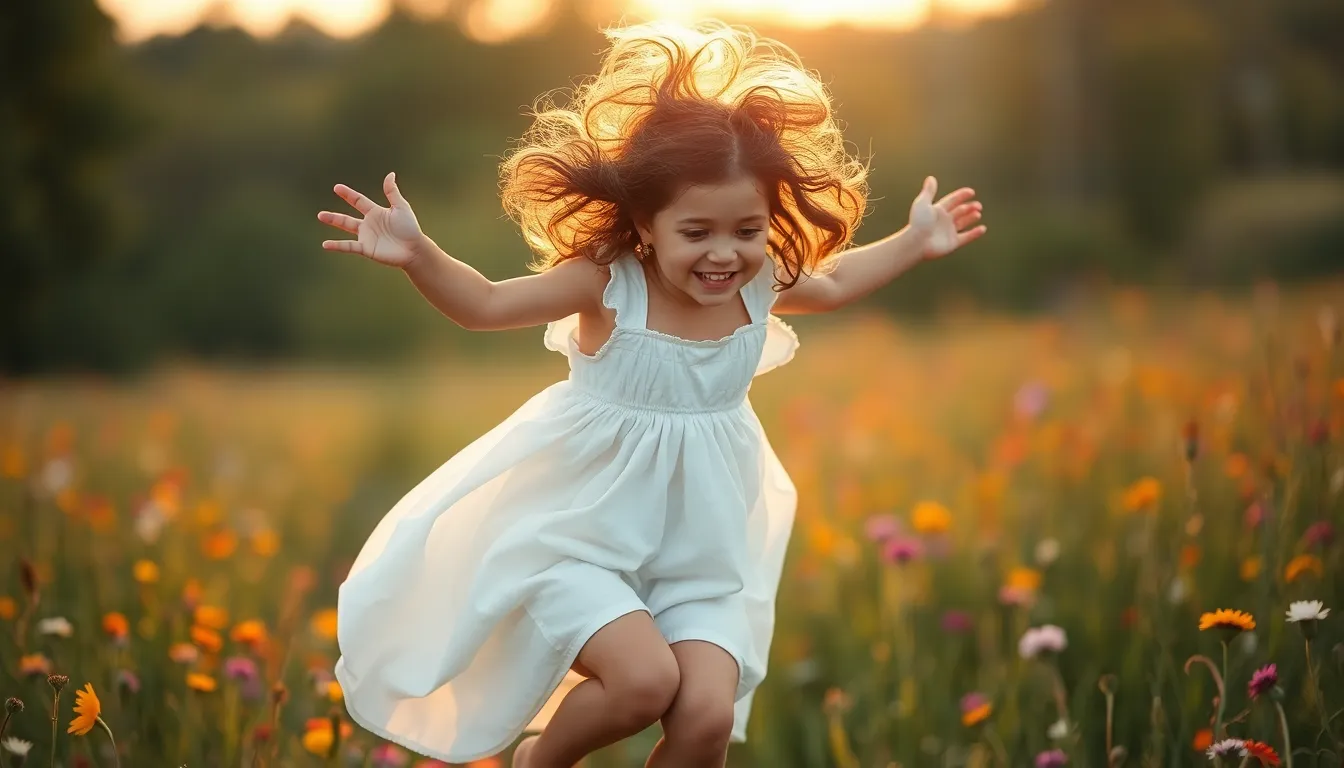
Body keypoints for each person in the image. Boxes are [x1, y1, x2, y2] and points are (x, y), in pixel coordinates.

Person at [317, 18, 986, 767]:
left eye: (747, 229)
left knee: (702, 717)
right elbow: (486, 304)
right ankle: (537, 763)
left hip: (701, 552)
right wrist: (419, 255)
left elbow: (833, 284)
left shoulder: (759, 285)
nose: (724, 253)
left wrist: (916, 240)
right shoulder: (609, 286)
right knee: (642, 683)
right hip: (579, 540)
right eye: (697, 231)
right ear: (646, 224)